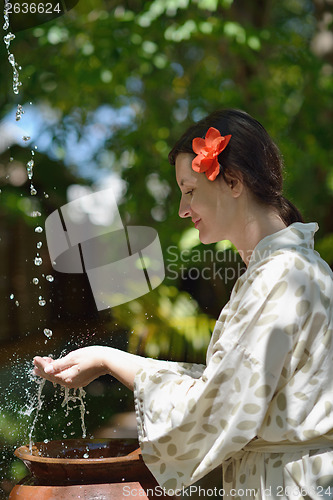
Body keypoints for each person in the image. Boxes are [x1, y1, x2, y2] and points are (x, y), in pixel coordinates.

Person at [33, 109, 333, 498]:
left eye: (189, 190)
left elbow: (208, 410)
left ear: (233, 180)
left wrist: (112, 361)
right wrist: (106, 356)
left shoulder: (281, 277)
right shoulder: (290, 269)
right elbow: (224, 384)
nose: (182, 209)